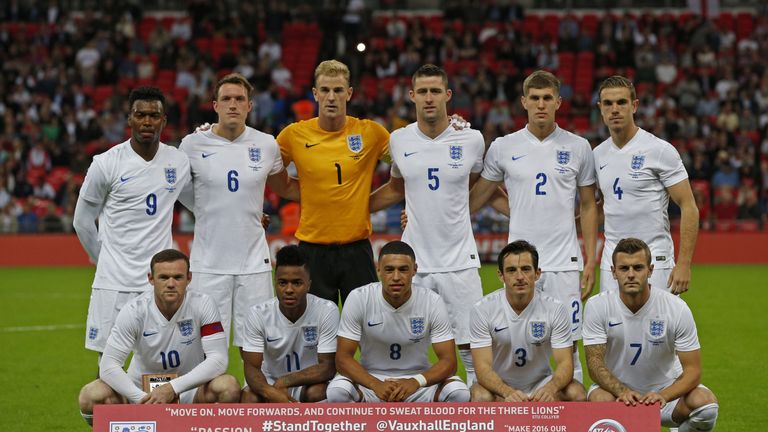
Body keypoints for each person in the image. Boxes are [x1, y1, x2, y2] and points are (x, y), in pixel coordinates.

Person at [468, 70, 598, 382]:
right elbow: (478, 198)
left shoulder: (579, 147)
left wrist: (590, 259)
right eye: (535, 98)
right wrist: (518, 210)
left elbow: (589, 205)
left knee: (570, 345)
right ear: (524, 102)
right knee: (515, 339)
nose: (541, 104)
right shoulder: (503, 146)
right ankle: (518, 411)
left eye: (547, 98)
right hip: (519, 265)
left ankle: (571, 415)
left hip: (564, 263)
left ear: (558, 102)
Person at [369, 64, 485, 384]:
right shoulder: (399, 140)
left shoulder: (472, 139)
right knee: (406, 347)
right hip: (413, 264)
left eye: (435, 91)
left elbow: (476, 186)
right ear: (412, 96)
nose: (429, 98)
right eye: (422, 92)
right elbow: (395, 188)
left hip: (459, 262)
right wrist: (353, 209)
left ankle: (478, 411)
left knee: (472, 350)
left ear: (448, 95)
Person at [178, 73, 299, 347]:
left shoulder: (267, 144)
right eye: (226, 99)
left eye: (239, 99)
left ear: (250, 106)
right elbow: (182, 191)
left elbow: (285, 187)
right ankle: (209, 392)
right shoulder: (192, 144)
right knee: (205, 348)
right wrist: (210, 210)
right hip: (208, 264)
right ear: (215, 105)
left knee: (258, 347)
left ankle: (254, 391)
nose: (233, 104)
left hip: (253, 263)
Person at [73, 86, 191, 354]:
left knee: (163, 364)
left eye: (154, 115)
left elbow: (199, 202)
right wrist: (100, 258)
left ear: (164, 120)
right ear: (129, 119)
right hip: (114, 282)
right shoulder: (106, 163)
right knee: (107, 366)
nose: (147, 121)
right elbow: (82, 221)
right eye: (140, 115)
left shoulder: (178, 161)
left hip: (158, 282)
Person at [77, 249, 240, 426]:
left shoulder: (203, 304)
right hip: (139, 391)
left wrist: (172, 388)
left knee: (228, 386)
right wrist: (144, 399)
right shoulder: (134, 311)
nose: (171, 284)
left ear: (189, 278)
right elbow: (108, 366)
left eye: (178, 277)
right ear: (151, 279)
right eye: (163, 277)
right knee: (91, 395)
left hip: (189, 390)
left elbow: (218, 360)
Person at [275, 59, 390, 306]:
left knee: (370, 331)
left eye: (338, 90)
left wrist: (363, 203)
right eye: (325, 90)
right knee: (314, 336)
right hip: (312, 251)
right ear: (315, 94)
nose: (331, 97)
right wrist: (312, 193)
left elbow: (410, 166)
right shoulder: (293, 135)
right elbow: (267, 173)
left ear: (349, 93)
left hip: (357, 250)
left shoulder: (372, 133)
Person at [583, 238, 719, 431]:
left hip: (665, 395)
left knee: (706, 405)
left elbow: (693, 371)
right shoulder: (597, 306)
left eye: (638, 268)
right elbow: (594, 364)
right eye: (624, 268)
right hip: (617, 394)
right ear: (613, 272)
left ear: (651, 270)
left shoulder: (676, 308)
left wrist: (664, 395)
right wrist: (622, 391)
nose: (631, 274)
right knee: (600, 400)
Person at [326, 240, 470, 403]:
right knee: (337, 391)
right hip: (370, 383)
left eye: (403, 270)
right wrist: (375, 384)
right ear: (378, 269)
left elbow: (449, 362)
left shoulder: (432, 301)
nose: (396, 277)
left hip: (418, 384)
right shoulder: (359, 298)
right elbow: (343, 358)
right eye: (389, 270)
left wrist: (416, 381)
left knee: (459, 392)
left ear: (414, 270)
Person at [594, 76, 699, 294]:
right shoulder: (596, 155)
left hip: (656, 260)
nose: (615, 109)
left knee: (660, 328)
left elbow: (688, 206)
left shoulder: (659, 150)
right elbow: (605, 205)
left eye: (621, 102)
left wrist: (684, 264)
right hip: (612, 263)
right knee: (613, 328)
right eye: (608, 103)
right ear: (600, 109)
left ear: (634, 106)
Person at [470, 240, 586, 402]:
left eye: (525, 269)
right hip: (499, 385)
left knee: (577, 393)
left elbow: (565, 363)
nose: (519, 277)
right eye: (511, 270)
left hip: (541, 384)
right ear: (500, 275)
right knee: (480, 396)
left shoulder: (555, 308)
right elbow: (482, 368)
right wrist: (507, 392)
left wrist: (550, 388)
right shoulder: (482, 309)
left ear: (537, 273)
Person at [241, 245, 339, 403]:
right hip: (270, 382)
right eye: (282, 283)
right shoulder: (257, 313)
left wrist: (285, 381)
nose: (289, 289)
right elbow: (251, 367)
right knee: (249, 397)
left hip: (308, 383)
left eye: (297, 283)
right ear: (275, 283)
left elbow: (328, 366)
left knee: (318, 392)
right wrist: (269, 391)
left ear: (309, 284)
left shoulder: (326, 310)